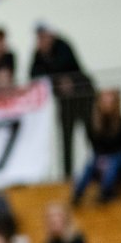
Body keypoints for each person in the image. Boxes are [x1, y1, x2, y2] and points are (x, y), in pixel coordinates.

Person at [31, 23, 93, 178]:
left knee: (91, 134)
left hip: (83, 98)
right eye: (39, 37)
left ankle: (96, 168)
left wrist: (56, 77)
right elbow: (33, 74)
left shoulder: (63, 46)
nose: (42, 40)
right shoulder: (39, 54)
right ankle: (67, 174)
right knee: (66, 138)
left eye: (44, 36)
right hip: (65, 103)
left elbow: (66, 67)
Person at [73, 88, 121, 205]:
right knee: (90, 164)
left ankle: (106, 192)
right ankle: (77, 194)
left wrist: (108, 157)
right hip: (102, 158)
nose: (107, 104)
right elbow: (95, 146)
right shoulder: (92, 124)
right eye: (104, 101)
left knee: (113, 161)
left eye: (110, 101)